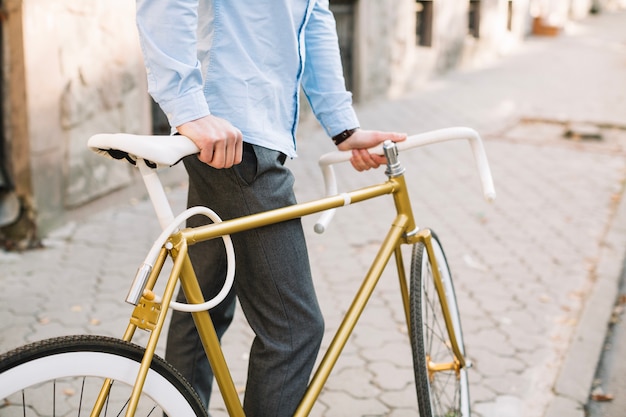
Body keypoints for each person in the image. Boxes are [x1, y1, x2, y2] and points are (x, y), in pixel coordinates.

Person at [135, 1, 406, 416]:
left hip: (239, 134)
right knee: (294, 330)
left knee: (202, 313)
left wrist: (342, 125)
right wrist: (187, 106)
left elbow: (314, 15)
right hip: (234, 141)